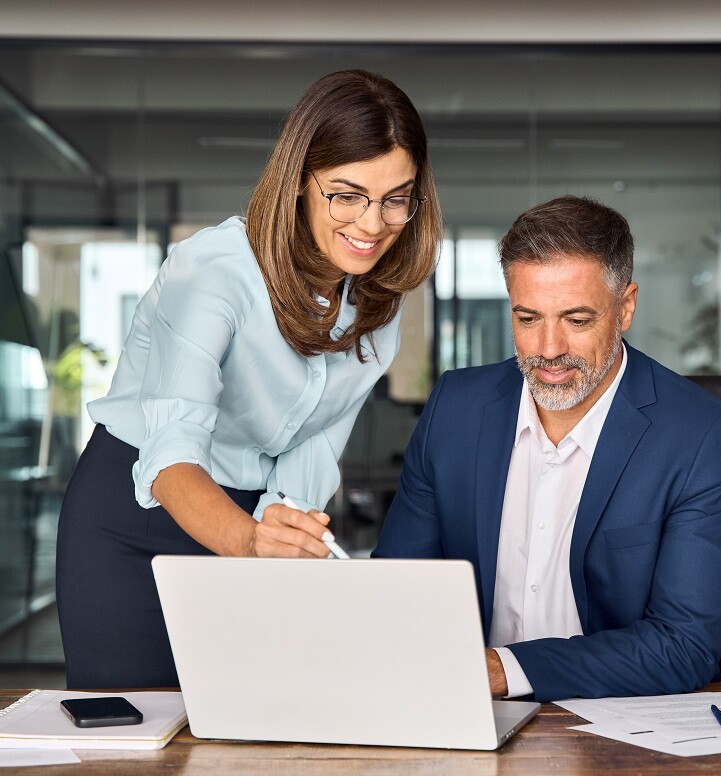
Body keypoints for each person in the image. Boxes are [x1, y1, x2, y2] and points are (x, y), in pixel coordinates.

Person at [56, 69, 442, 689]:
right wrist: (250, 544)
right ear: (298, 185)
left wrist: (280, 540)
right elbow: (172, 453)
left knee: (250, 731)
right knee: (137, 745)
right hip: (140, 512)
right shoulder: (214, 271)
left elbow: (313, 448)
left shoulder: (377, 311)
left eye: (395, 197)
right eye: (346, 195)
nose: (373, 224)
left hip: (254, 519)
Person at [373, 195, 721, 703]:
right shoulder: (456, 409)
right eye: (528, 318)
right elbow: (395, 588)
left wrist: (501, 670)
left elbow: (680, 645)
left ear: (625, 307)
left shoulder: (706, 439)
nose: (549, 350)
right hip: (462, 711)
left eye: (577, 321)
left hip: (617, 726)